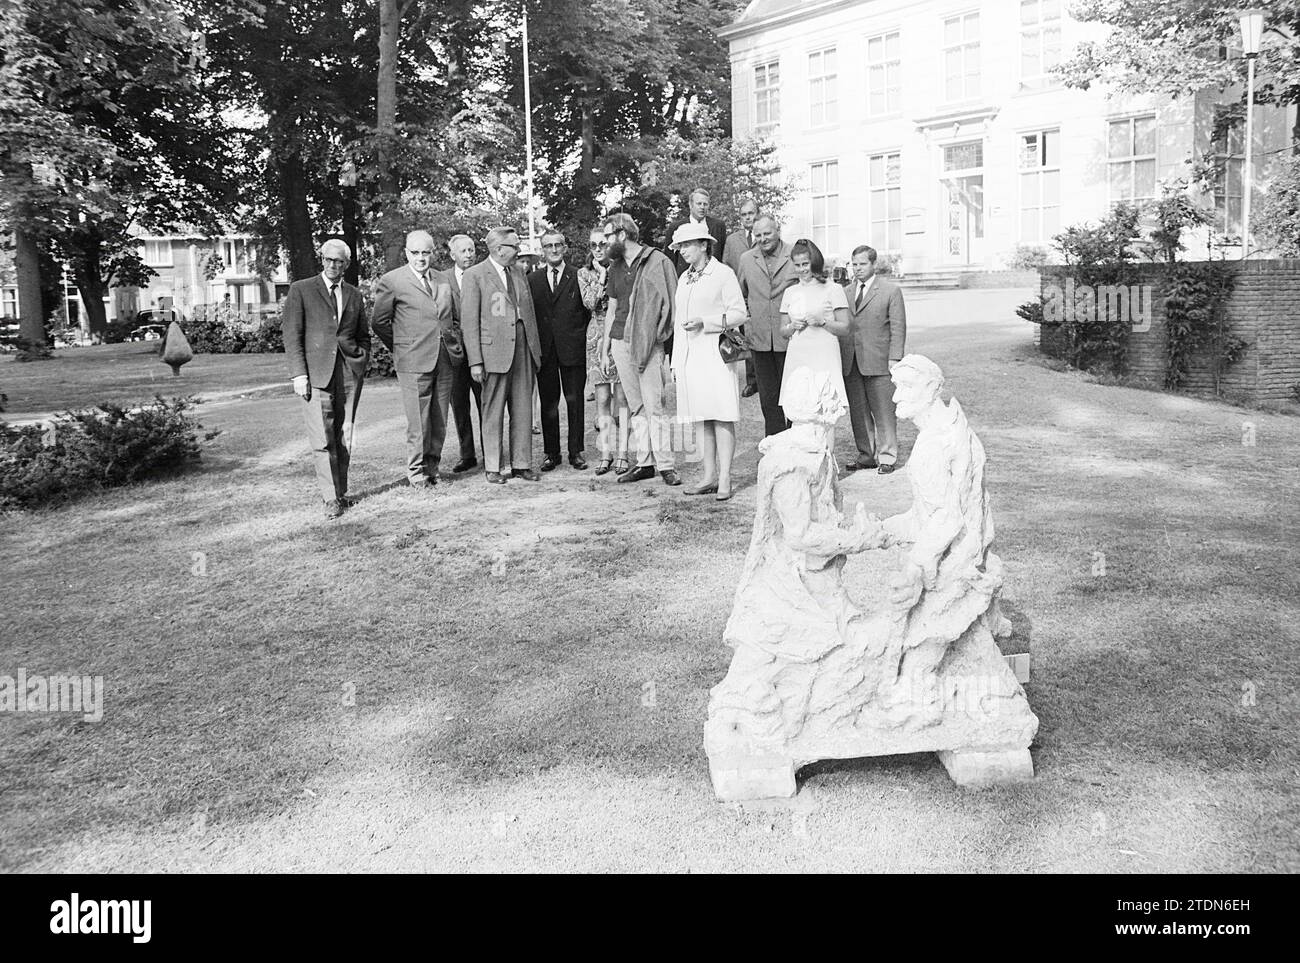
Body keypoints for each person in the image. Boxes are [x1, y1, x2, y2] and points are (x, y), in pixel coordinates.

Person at [282, 238, 370, 518]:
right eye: (329, 260)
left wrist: (361, 356)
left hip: (346, 373)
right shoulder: (301, 290)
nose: (333, 265)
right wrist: (298, 374)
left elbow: (362, 334)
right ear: (322, 259)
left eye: (339, 261)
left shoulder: (354, 294)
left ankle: (341, 493)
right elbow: (292, 335)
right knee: (322, 437)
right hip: (316, 374)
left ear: (347, 263)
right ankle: (331, 498)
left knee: (342, 435)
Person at [371, 230, 459, 488]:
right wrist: (402, 347)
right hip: (412, 361)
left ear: (433, 252)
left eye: (426, 252)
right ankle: (417, 472)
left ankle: (433, 467)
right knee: (418, 420)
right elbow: (379, 322)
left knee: (439, 417)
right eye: (415, 252)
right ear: (406, 253)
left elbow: (451, 317)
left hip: (443, 359)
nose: (421, 258)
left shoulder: (443, 279)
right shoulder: (392, 281)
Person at [600, 212, 680, 486]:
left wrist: (658, 340)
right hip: (621, 342)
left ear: (623, 235)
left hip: (648, 344)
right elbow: (611, 308)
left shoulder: (658, 261)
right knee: (636, 407)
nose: (605, 242)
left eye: (609, 235)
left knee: (654, 406)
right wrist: (605, 348)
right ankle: (645, 463)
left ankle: (666, 466)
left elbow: (671, 305)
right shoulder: (615, 267)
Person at [668, 222, 747, 500]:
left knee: (722, 415)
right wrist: (676, 362)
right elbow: (679, 323)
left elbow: (739, 313)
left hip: (716, 355)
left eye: (687, 245)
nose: (682, 251)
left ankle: (724, 477)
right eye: (679, 247)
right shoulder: (683, 278)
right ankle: (708, 475)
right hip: (690, 358)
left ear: (703, 245)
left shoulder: (723, 274)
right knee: (701, 416)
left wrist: (707, 322)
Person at [461, 227, 542, 484]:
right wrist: (475, 360)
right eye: (515, 247)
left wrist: (533, 350)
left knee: (522, 409)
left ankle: (521, 464)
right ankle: (493, 467)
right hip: (492, 352)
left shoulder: (518, 272)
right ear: (499, 249)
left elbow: (529, 314)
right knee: (492, 410)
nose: (519, 251)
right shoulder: (474, 275)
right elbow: (469, 322)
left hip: (522, 349)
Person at [840, 244, 907, 473]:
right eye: (854, 264)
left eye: (862, 264)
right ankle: (866, 454)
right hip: (851, 360)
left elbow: (898, 327)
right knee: (858, 412)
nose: (857, 269)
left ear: (873, 264)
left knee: (883, 411)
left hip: (879, 360)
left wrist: (895, 358)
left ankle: (887, 456)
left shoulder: (890, 291)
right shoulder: (846, 292)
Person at [528, 229, 590, 471]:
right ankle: (551, 453)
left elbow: (587, 312)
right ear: (542, 251)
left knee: (575, 401)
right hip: (546, 352)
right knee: (548, 403)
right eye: (548, 246)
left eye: (558, 245)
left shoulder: (579, 276)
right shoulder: (532, 280)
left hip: (572, 349)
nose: (553, 250)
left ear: (565, 248)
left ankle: (576, 452)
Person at [735, 215, 797, 436]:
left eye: (767, 233)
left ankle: (796, 441)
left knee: (793, 395)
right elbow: (739, 295)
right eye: (757, 234)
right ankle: (775, 443)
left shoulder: (795, 254)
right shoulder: (746, 259)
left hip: (790, 339)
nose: (762, 239)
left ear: (777, 231)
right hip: (760, 339)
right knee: (768, 398)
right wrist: (750, 319)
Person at [779, 238, 850, 421]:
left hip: (823, 353)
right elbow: (783, 330)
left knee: (824, 408)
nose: (802, 269)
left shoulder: (832, 289)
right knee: (799, 406)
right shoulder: (790, 292)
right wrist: (792, 326)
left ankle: (827, 450)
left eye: (806, 264)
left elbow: (845, 327)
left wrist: (823, 322)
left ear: (815, 262)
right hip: (798, 354)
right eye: (798, 265)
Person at [578, 227, 628, 476]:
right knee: (602, 398)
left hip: (618, 333)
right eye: (593, 245)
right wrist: (601, 277)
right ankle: (606, 453)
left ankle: (623, 454)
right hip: (595, 336)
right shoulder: (584, 273)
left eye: (602, 244)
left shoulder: (621, 268)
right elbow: (589, 303)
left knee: (621, 398)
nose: (598, 249)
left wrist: (609, 272)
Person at [441, 234, 483, 474]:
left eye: (471, 250)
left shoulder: (482, 275)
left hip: (480, 352)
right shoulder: (442, 279)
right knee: (459, 405)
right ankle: (467, 454)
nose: (468, 254)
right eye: (463, 251)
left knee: (485, 402)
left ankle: (491, 451)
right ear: (452, 254)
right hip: (454, 354)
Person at [723, 198, 761, 400]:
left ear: (757, 213)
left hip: (761, 295)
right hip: (741, 296)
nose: (748, 217)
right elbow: (726, 267)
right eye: (744, 214)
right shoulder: (732, 240)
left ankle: (765, 379)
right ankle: (752, 381)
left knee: (762, 336)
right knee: (746, 337)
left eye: (751, 213)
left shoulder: (764, 236)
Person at [666, 187, 728, 276]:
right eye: (699, 203)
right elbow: (670, 260)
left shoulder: (718, 226)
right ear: (691, 205)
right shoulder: (676, 227)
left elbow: (722, 254)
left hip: (713, 278)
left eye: (705, 204)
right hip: (685, 279)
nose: (702, 207)